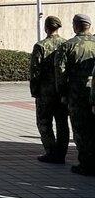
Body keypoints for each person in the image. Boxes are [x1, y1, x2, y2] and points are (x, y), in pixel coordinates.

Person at [56, 14, 95, 175]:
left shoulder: (68, 46)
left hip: (76, 94)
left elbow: (60, 72)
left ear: (76, 26)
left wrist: (62, 93)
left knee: (80, 129)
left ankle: (86, 164)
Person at [31, 16, 68, 164]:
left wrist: (34, 90)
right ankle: (61, 153)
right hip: (62, 91)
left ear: (46, 28)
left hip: (45, 92)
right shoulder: (66, 44)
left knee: (44, 122)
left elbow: (35, 71)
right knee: (62, 122)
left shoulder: (40, 46)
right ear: (58, 27)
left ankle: (51, 151)